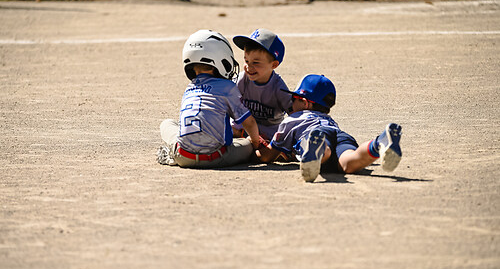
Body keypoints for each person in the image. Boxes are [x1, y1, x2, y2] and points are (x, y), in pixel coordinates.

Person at [256, 74, 403, 182]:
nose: (290, 104)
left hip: (313, 133)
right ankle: (379, 143)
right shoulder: (327, 118)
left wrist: (255, 148)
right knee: (348, 163)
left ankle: (317, 147)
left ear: (305, 103)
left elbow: (267, 156)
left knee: (323, 149)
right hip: (339, 133)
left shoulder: (293, 119)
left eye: (294, 99)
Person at [157, 29, 260, 168]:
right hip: (215, 158)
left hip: (183, 156)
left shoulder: (189, 87)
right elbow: (250, 122)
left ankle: (172, 152)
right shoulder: (227, 87)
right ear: (221, 58)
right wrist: (254, 143)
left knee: (167, 124)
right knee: (246, 144)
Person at [231, 28, 293, 141]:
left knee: (282, 138)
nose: (249, 67)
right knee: (230, 127)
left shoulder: (278, 87)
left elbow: (295, 115)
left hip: (269, 130)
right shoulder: (242, 79)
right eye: (246, 61)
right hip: (245, 127)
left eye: (256, 63)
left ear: (274, 65)